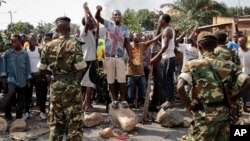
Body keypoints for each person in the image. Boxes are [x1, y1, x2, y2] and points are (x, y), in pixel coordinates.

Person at [177, 31, 250, 140]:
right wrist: (235, 98)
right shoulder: (230, 65)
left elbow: (180, 87)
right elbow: (248, 82)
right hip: (225, 116)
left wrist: (188, 105)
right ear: (215, 46)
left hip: (204, 117)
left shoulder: (193, 65)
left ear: (199, 46)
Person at [37, 16, 86, 141]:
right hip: (72, 86)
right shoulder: (74, 44)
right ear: (69, 28)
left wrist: (55, 72)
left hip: (55, 85)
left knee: (56, 120)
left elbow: (41, 70)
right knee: (74, 121)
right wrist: (73, 76)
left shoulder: (48, 45)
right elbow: (81, 67)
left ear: (57, 29)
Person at [95, 5, 131, 108]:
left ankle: (123, 100)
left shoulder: (125, 28)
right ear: (112, 17)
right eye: (115, 14)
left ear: (121, 17)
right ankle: (114, 99)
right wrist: (98, 10)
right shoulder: (108, 24)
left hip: (120, 57)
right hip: (109, 57)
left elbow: (127, 43)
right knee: (110, 79)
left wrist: (130, 57)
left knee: (122, 79)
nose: (117, 16)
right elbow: (97, 18)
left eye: (119, 14)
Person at [126, 32, 161, 107]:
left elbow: (154, 39)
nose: (138, 37)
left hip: (141, 74)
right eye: (136, 35)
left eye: (139, 35)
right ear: (132, 37)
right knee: (130, 96)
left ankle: (146, 112)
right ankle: (129, 113)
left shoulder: (143, 45)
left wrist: (162, 33)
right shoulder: (128, 45)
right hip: (131, 74)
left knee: (144, 94)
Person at [1, 34, 32, 120]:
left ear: (19, 42)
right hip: (11, 78)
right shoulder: (8, 53)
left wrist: (28, 79)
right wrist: (4, 78)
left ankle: (18, 116)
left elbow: (28, 67)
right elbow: (4, 66)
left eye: (14, 42)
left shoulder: (25, 54)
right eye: (12, 42)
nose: (12, 44)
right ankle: (6, 113)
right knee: (10, 93)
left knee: (21, 99)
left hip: (22, 79)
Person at [150, 14, 176, 108]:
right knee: (165, 80)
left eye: (159, 19)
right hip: (167, 57)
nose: (158, 21)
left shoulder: (167, 31)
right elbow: (156, 38)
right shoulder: (166, 30)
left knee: (167, 80)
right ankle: (169, 99)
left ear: (163, 20)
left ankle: (171, 100)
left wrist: (155, 58)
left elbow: (165, 47)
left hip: (168, 58)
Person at [24, 34, 48, 120]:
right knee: (28, 95)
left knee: (40, 95)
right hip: (29, 76)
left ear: (36, 40)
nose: (33, 41)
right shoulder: (25, 50)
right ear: (28, 41)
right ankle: (26, 112)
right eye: (31, 39)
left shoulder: (39, 50)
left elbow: (44, 62)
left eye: (34, 39)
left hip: (38, 75)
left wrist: (45, 74)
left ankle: (42, 112)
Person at [80, 2, 98, 112]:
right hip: (88, 60)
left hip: (92, 60)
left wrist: (89, 11)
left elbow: (95, 23)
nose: (92, 22)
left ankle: (86, 104)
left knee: (90, 83)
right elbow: (87, 23)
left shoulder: (91, 32)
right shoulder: (85, 32)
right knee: (88, 84)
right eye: (90, 21)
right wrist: (84, 9)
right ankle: (87, 105)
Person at [238, 36, 250, 113]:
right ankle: (244, 107)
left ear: (245, 42)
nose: (239, 43)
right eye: (239, 42)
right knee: (243, 91)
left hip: (249, 73)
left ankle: (247, 106)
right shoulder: (236, 51)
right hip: (241, 74)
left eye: (241, 42)